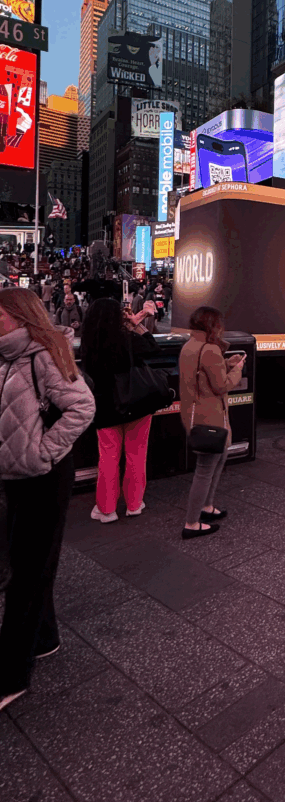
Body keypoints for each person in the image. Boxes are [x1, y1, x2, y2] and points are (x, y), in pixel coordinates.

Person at [0, 288, 95, 712]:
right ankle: (45, 638)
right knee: (30, 563)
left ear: (19, 317)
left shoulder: (42, 355)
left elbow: (82, 407)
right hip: (14, 476)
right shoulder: (6, 356)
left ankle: (11, 675)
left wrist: (42, 452)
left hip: (43, 475)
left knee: (27, 572)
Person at [79, 298, 159, 522]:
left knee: (108, 456)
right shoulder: (128, 338)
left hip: (105, 406)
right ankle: (134, 504)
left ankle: (106, 509)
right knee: (136, 454)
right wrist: (135, 324)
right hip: (136, 402)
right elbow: (153, 347)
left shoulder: (89, 343)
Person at [179, 307, 245, 539]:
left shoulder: (190, 346)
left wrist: (226, 364)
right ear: (212, 326)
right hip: (211, 417)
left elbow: (205, 376)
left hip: (196, 414)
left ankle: (207, 506)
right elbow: (221, 386)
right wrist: (236, 370)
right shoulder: (209, 350)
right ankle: (192, 522)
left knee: (217, 461)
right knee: (206, 469)